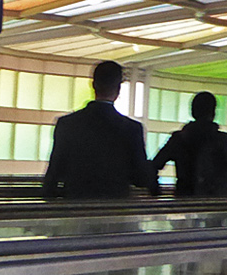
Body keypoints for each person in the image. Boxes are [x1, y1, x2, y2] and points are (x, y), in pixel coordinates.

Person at [43, 60, 159, 199]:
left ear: (93, 85)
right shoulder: (131, 129)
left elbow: (54, 172)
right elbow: (140, 178)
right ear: (118, 89)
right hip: (115, 208)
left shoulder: (67, 124)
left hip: (75, 206)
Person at [152, 91, 227, 197]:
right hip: (216, 200)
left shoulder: (179, 139)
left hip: (185, 197)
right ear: (213, 112)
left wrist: (155, 190)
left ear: (193, 111)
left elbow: (155, 165)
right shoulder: (223, 140)